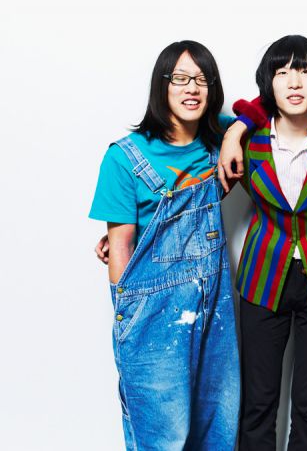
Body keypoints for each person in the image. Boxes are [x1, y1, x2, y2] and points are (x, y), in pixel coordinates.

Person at [88, 41, 239, 450]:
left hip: (213, 309)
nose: (192, 88)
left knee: (218, 430)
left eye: (202, 79)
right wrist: (130, 320)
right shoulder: (124, 158)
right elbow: (120, 248)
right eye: (181, 78)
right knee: (163, 438)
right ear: (162, 85)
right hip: (151, 316)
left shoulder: (216, 142)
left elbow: (262, 113)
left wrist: (235, 134)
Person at [218, 35, 307, 451]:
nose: (294, 82)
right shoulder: (248, 139)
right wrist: (234, 131)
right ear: (268, 84)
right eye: (282, 72)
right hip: (262, 276)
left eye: (304, 71)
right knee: (258, 401)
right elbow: (192, 131)